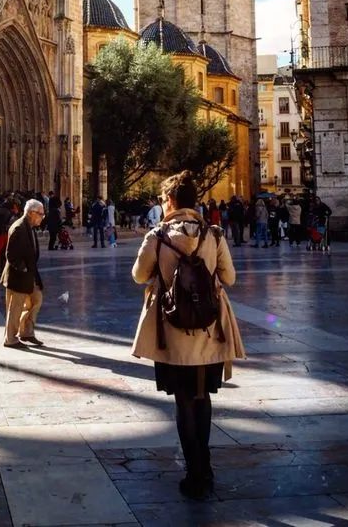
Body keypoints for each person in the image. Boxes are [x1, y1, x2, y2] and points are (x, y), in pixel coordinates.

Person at [131, 170, 245, 501]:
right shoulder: (214, 234)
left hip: (172, 330)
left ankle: (193, 472)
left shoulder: (157, 236)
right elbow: (231, 277)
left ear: (169, 201)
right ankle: (204, 467)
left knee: (183, 401)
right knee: (203, 398)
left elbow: (139, 276)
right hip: (209, 331)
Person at [0, 198, 45, 349]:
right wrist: (23, 268)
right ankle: (10, 339)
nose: (42, 217)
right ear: (32, 213)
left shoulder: (30, 226)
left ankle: (26, 331)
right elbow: (10, 254)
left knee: (36, 299)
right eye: (40, 214)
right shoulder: (19, 227)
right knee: (16, 307)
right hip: (18, 275)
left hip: (29, 275)